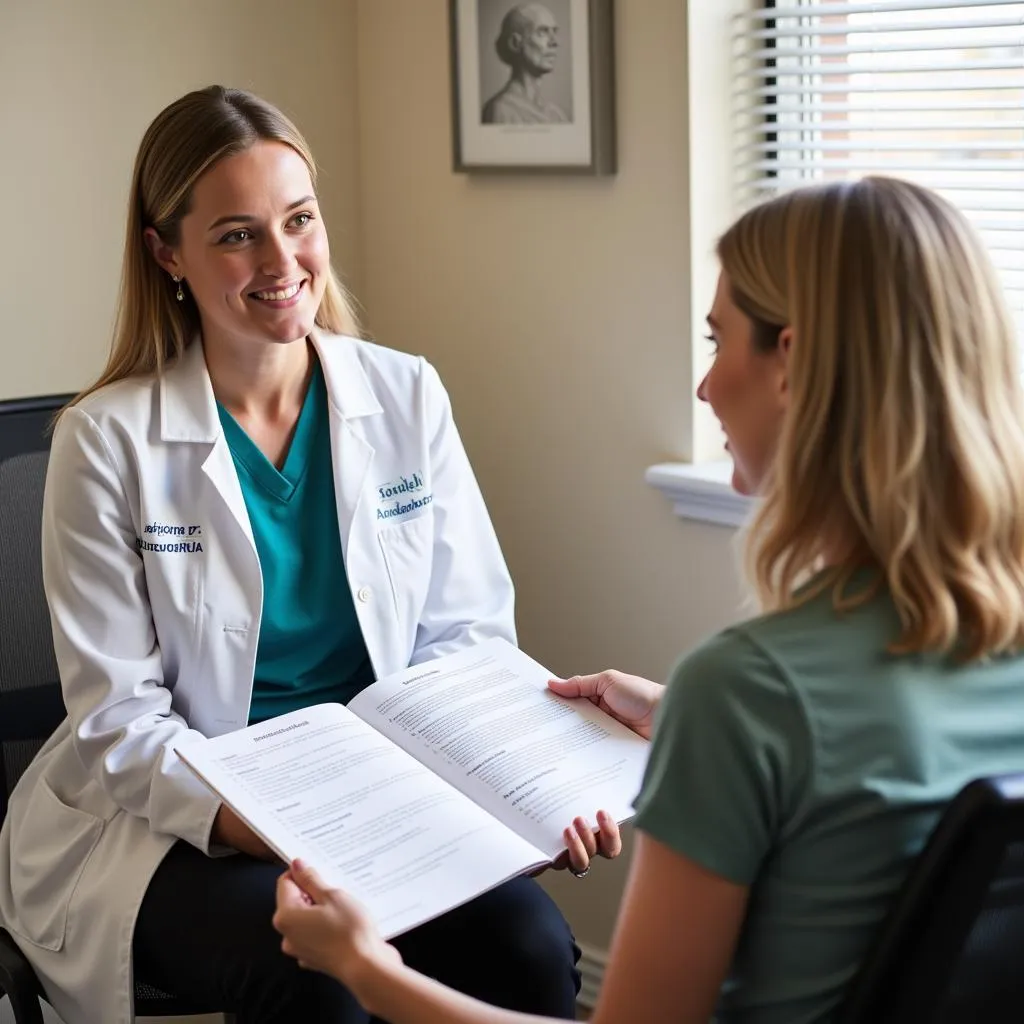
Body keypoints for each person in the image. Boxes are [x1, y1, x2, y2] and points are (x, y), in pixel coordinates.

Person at [272, 176, 1024, 1024]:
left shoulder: (748, 692)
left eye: (720, 341)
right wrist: (682, 719)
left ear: (793, 365)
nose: (706, 389)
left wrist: (364, 965)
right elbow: (884, 761)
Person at [0, 86, 620, 1024]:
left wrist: (504, 794)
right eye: (237, 234)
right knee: (314, 980)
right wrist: (274, 824)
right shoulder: (108, 439)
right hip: (187, 817)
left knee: (531, 951)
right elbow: (118, 724)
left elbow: (468, 638)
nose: (284, 261)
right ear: (167, 252)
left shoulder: (405, 393)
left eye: (299, 220)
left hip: (385, 802)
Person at [482, 4, 569, 125]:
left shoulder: (557, 115)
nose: (554, 42)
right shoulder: (500, 110)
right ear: (515, 43)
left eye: (554, 31)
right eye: (542, 32)